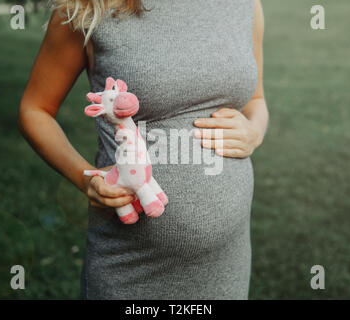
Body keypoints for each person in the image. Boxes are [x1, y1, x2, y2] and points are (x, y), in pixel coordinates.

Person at [18, 0, 268, 299]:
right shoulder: (86, 6)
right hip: (131, 267)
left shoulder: (245, 4)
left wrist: (254, 131)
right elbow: (35, 109)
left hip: (226, 264)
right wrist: (85, 178)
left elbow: (256, 100)